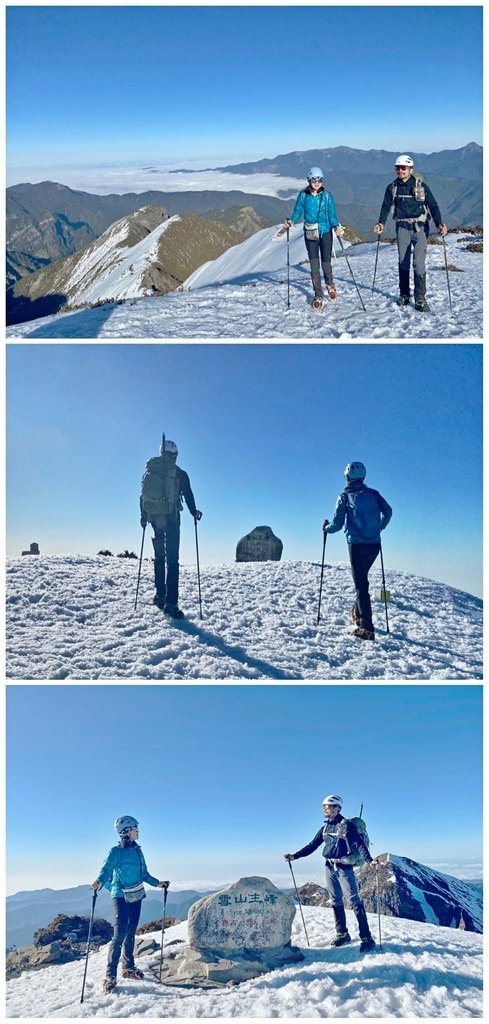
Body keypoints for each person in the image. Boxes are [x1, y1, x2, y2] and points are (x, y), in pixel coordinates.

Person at [284, 794, 376, 953]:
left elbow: (359, 844)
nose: (325, 810)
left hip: (344, 867)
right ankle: (342, 934)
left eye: (328, 807)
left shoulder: (346, 826)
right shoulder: (325, 828)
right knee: (335, 901)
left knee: (354, 900)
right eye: (324, 807)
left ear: (337, 808)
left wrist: (369, 860)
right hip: (329, 866)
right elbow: (312, 845)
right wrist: (295, 856)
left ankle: (367, 938)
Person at [91, 815, 169, 994]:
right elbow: (106, 870)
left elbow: (144, 874)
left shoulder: (137, 851)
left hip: (136, 895)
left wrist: (159, 883)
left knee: (131, 933)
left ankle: (128, 967)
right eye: (135, 828)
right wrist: (98, 882)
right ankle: (110, 975)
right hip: (119, 896)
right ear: (126, 831)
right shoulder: (115, 851)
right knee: (119, 934)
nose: (138, 831)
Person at [323, 461, 392, 641]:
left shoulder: (344, 496)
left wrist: (326, 529)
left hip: (356, 545)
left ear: (347, 477)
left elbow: (337, 525)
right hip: (374, 544)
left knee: (361, 585)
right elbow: (389, 512)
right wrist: (379, 528)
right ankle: (358, 614)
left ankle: (367, 628)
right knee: (362, 581)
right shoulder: (374, 494)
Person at [374, 154, 448, 312]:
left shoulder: (421, 186)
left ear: (410, 169)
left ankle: (420, 298)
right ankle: (404, 295)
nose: (400, 171)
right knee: (403, 261)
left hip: (420, 227)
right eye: (397, 168)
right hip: (402, 227)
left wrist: (439, 223)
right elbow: (385, 206)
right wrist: (381, 222)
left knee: (418, 263)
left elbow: (433, 205)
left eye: (403, 168)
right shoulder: (392, 188)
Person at [140, 437, 202, 618]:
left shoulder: (150, 471)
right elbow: (188, 494)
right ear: (175, 455)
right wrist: (194, 512)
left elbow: (142, 496)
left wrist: (143, 517)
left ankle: (160, 596)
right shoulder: (180, 474)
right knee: (172, 561)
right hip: (172, 519)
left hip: (154, 518)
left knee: (159, 557)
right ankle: (171, 604)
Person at [285, 166, 345, 309]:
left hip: (325, 232)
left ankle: (330, 285)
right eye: (314, 179)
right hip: (311, 232)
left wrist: (336, 226)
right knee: (314, 266)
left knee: (325, 263)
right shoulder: (303, 195)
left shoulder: (327, 196)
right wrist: (291, 221)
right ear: (309, 180)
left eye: (319, 179)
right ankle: (318, 294)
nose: (317, 182)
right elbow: (298, 210)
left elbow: (332, 214)